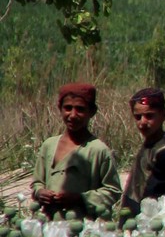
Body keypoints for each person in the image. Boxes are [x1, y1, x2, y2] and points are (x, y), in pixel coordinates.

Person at [31, 83, 121, 219]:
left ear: (92, 112)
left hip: (82, 227)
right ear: (60, 109)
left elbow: (113, 191)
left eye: (80, 109)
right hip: (50, 225)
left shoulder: (98, 150)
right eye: (68, 108)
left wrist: (80, 198)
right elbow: (37, 182)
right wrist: (40, 192)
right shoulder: (49, 145)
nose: (72, 115)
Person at [119, 87, 165, 219]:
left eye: (149, 116)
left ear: (163, 115)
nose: (143, 122)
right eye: (138, 117)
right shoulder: (149, 145)